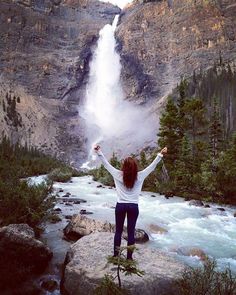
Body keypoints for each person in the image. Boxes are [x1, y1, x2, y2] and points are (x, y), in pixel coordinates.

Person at [94, 145, 167, 260]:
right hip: (133, 206)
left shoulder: (117, 174)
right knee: (131, 232)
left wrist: (99, 152)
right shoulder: (140, 175)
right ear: (134, 167)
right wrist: (160, 154)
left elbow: (106, 164)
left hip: (120, 206)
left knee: (118, 231)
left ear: (124, 166)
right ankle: (129, 258)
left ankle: (115, 256)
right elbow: (152, 167)